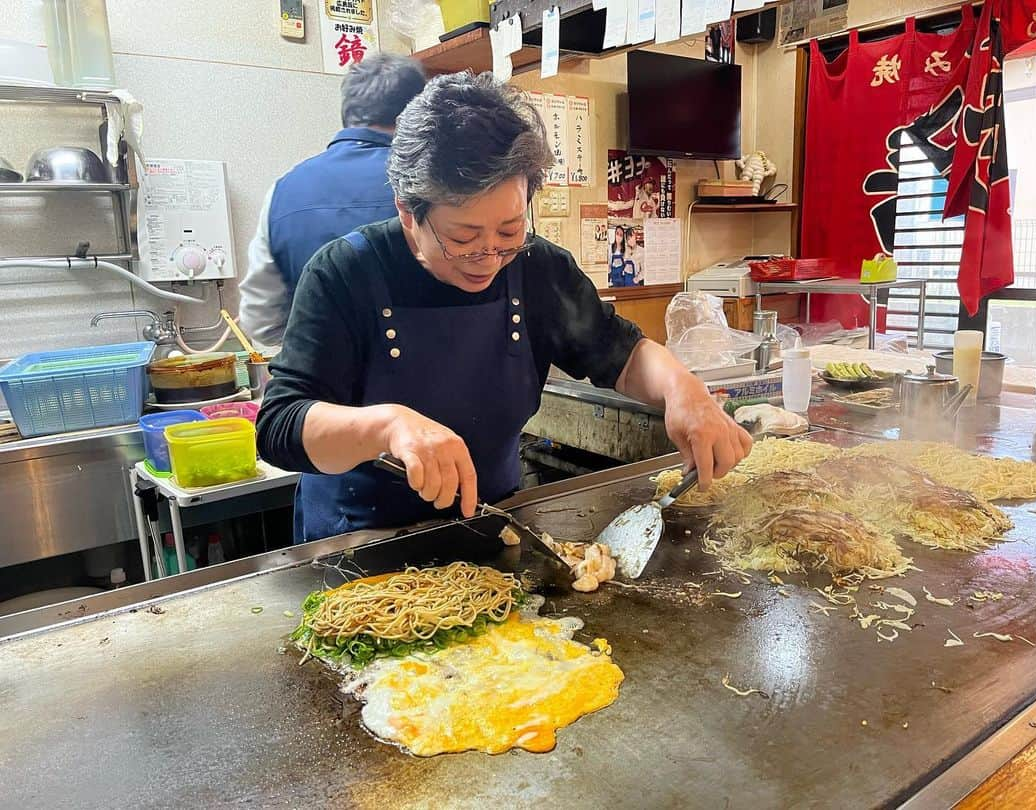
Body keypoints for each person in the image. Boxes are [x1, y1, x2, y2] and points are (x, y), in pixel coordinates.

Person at [257, 72, 752, 543]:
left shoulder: (538, 269)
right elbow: (280, 426)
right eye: (463, 237)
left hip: (491, 525)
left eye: (509, 231)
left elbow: (620, 355)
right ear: (408, 213)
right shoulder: (344, 273)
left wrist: (683, 388)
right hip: (358, 545)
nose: (489, 256)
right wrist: (388, 426)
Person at [239, 54, 426, 348]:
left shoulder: (283, 190)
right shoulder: (434, 182)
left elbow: (260, 322)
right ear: (418, 114)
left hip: (322, 383)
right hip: (425, 376)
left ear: (348, 113)